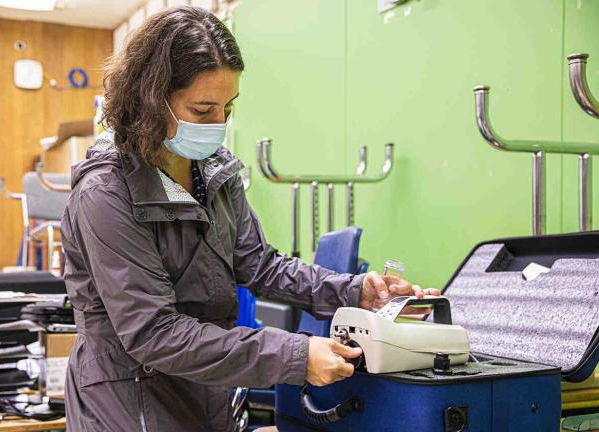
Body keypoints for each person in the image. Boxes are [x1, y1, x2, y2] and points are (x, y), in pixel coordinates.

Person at [60, 6, 438, 432]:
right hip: (129, 401)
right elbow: (153, 333)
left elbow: (260, 264)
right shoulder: (107, 194)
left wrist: (353, 292)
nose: (219, 124)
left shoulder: (213, 171)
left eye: (228, 107)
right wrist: (295, 356)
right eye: (203, 110)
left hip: (205, 391)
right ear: (151, 100)